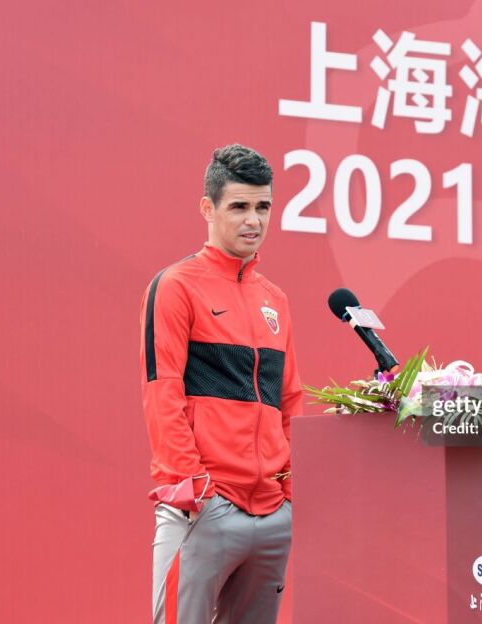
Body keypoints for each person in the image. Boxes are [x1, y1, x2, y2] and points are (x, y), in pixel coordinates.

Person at [139, 144, 301, 624]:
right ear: (208, 209)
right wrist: (194, 488)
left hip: (272, 515)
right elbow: (162, 391)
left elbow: (289, 401)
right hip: (205, 506)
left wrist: (289, 492)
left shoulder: (275, 300)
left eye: (263, 206)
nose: (254, 220)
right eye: (239, 206)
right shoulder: (176, 286)